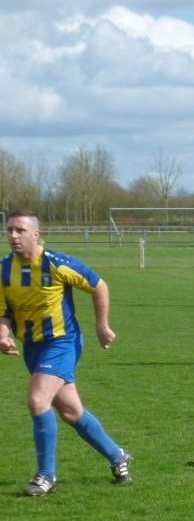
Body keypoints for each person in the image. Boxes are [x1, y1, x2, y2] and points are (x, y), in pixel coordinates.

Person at [0, 210, 133, 496]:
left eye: (19, 230)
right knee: (71, 412)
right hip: (32, 348)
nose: (12, 235)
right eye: (9, 230)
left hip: (62, 343)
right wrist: (3, 334)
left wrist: (102, 325)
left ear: (36, 233)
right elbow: (4, 311)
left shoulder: (55, 264)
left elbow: (99, 286)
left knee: (37, 400)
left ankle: (45, 476)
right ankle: (117, 455)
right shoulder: (3, 270)